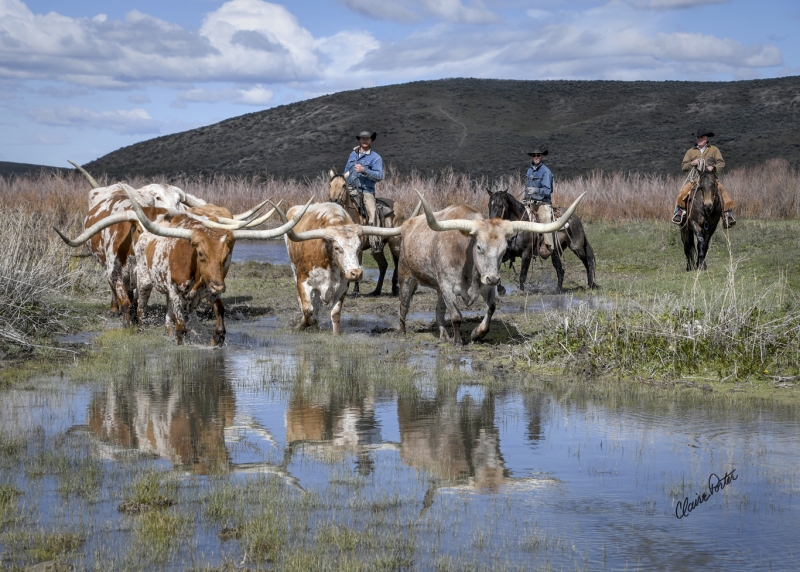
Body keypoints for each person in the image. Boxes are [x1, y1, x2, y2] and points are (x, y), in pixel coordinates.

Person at [672, 129, 736, 228]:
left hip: (711, 178)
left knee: (724, 194)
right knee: (682, 194)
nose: (699, 139)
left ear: (706, 139)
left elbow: (721, 163)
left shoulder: (714, 150)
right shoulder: (691, 151)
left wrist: (713, 167)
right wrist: (692, 163)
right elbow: (684, 167)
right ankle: (679, 213)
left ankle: (727, 216)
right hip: (695, 179)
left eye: (701, 138)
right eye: (698, 138)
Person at [344, 130, 384, 252]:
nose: (365, 140)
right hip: (349, 188)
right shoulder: (352, 155)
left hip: (365, 191)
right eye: (362, 138)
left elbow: (379, 176)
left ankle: (375, 241)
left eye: (367, 138)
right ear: (359, 140)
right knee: (334, 203)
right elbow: (345, 171)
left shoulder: (375, 157)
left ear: (371, 140)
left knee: (372, 212)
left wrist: (364, 170)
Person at [522, 145, 554, 253]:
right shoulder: (529, 171)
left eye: (538, 155)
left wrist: (536, 190)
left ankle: (548, 245)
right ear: (531, 157)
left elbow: (548, 191)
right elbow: (527, 189)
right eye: (534, 155)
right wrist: (525, 198)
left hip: (542, 203)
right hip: (529, 202)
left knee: (545, 217)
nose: (536, 157)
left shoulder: (546, 172)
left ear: (542, 156)